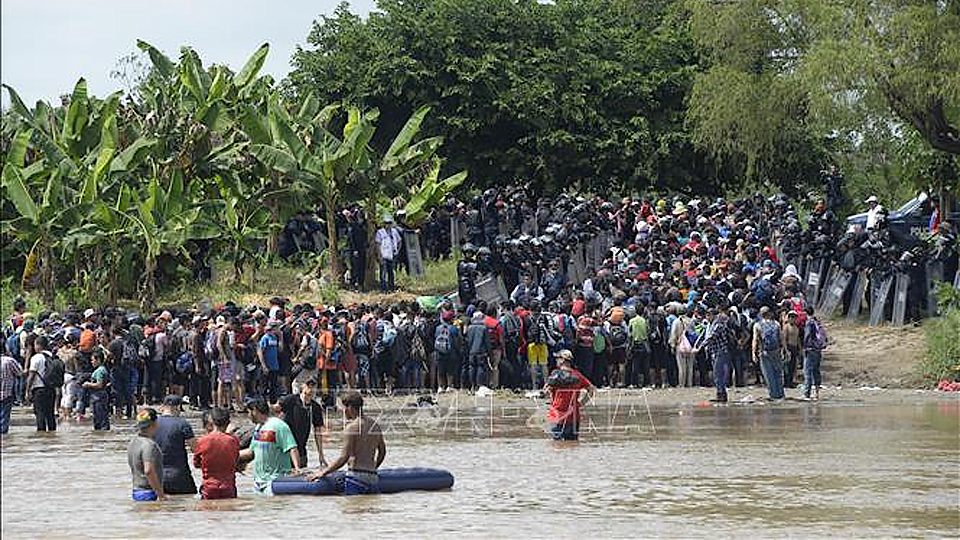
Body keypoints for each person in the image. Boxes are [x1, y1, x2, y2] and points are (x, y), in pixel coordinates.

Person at [308, 391, 385, 496]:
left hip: (356, 477)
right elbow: (382, 452)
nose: (343, 411)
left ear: (350, 407)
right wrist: (374, 467)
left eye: (344, 408)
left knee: (351, 510)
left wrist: (323, 472)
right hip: (372, 477)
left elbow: (343, 458)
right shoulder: (374, 425)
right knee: (371, 510)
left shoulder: (351, 428)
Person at [238, 398, 301, 494]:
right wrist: (231, 456)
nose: (248, 416)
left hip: (275, 482)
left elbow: (292, 447)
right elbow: (252, 452)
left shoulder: (279, 425)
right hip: (258, 482)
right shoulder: (258, 428)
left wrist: (297, 469)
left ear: (254, 410)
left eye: (248, 412)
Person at [544, 350, 595, 441]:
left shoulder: (555, 374)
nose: (556, 360)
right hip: (574, 416)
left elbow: (546, 391)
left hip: (557, 416)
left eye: (558, 358)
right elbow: (591, 389)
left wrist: (551, 401)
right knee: (573, 445)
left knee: (556, 446)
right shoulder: (577, 375)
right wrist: (581, 403)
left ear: (563, 360)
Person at [276, 378, 326, 468]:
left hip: (301, 451)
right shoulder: (290, 400)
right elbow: (275, 410)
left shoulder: (315, 407)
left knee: (301, 475)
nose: (311, 390)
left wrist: (321, 454)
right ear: (302, 387)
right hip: (284, 450)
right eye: (308, 386)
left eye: (314, 387)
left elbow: (318, 432)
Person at [153, 395, 198, 495]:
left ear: (163, 406)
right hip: (180, 475)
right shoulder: (183, 424)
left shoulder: (152, 424)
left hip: (156, 477)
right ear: (177, 407)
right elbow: (196, 450)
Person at [193, 407, 240, 499]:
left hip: (209, 488)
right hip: (229, 488)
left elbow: (196, 464)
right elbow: (236, 461)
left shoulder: (202, 441)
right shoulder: (233, 440)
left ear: (212, 421)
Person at [128, 408, 166, 501]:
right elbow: (148, 470)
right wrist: (160, 494)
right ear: (155, 423)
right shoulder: (149, 444)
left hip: (136, 491)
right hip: (148, 492)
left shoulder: (133, 442)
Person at [25, 335, 59, 431]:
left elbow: (31, 376)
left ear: (39, 345)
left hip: (39, 390)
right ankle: (52, 436)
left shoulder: (36, 358)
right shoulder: (53, 356)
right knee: (50, 414)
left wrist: (27, 391)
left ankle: (41, 436)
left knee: (40, 414)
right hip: (51, 389)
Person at [753, 306, 785, 400]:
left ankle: (773, 395)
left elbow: (755, 340)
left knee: (768, 374)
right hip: (776, 351)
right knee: (778, 373)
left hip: (765, 352)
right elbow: (781, 337)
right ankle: (781, 394)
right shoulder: (776, 324)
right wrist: (785, 350)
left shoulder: (757, 325)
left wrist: (753, 353)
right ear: (769, 313)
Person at [802, 307, 827, 400]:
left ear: (806, 313)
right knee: (816, 371)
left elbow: (807, 335)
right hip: (818, 349)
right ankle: (817, 394)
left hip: (810, 349)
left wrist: (804, 346)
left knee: (807, 371)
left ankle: (806, 394)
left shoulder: (809, 322)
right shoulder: (817, 321)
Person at [83, 353, 111, 430]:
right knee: (100, 418)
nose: (91, 362)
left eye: (93, 360)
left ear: (98, 360)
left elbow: (99, 385)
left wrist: (88, 384)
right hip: (99, 396)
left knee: (100, 419)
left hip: (98, 397)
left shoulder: (100, 371)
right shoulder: (102, 369)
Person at [1, 339, 23, 434]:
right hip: (6, 394)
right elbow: (20, 373)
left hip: (6, 395)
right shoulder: (9, 361)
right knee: (4, 421)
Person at [375, 215, 402, 292]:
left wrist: (397, 251)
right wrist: (379, 255)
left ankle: (391, 288)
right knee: (383, 273)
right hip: (384, 255)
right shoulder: (380, 232)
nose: (388, 225)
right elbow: (377, 245)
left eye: (390, 223)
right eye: (387, 223)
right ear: (384, 224)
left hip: (392, 255)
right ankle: (383, 289)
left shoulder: (394, 231)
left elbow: (399, 241)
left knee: (391, 273)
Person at [257, 320, 281, 403]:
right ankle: (263, 403)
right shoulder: (265, 338)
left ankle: (273, 402)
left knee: (273, 386)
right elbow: (260, 351)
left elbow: (280, 349)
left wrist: (280, 338)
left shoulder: (275, 338)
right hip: (267, 366)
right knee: (264, 385)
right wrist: (264, 366)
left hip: (275, 365)